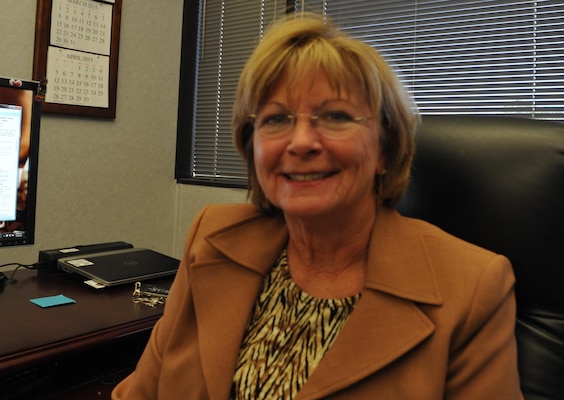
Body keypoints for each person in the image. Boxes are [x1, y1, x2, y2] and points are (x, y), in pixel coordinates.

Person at [112, 13, 523, 399]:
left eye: (336, 116)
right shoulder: (212, 237)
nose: (302, 142)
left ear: (385, 148)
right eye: (276, 119)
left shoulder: (473, 287)